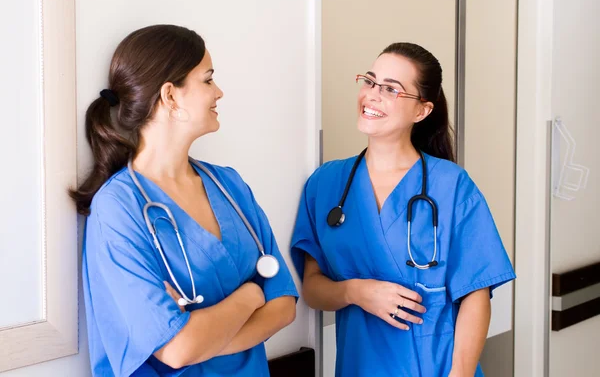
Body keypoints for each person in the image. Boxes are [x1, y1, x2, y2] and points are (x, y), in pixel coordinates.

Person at [70, 24, 298, 377]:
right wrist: (251, 296)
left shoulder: (229, 186)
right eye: (208, 80)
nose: (219, 92)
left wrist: (200, 336)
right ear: (170, 96)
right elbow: (176, 349)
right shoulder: (118, 208)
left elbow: (284, 306)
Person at [290, 42, 516, 376]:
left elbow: (476, 294)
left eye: (391, 89)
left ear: (421, 111)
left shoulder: (450, 184)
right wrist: (356, 291)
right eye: (369, 81)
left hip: (437, 366)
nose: (372, 95)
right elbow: (312, 287)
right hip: (359, 365)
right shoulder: (326, 184)